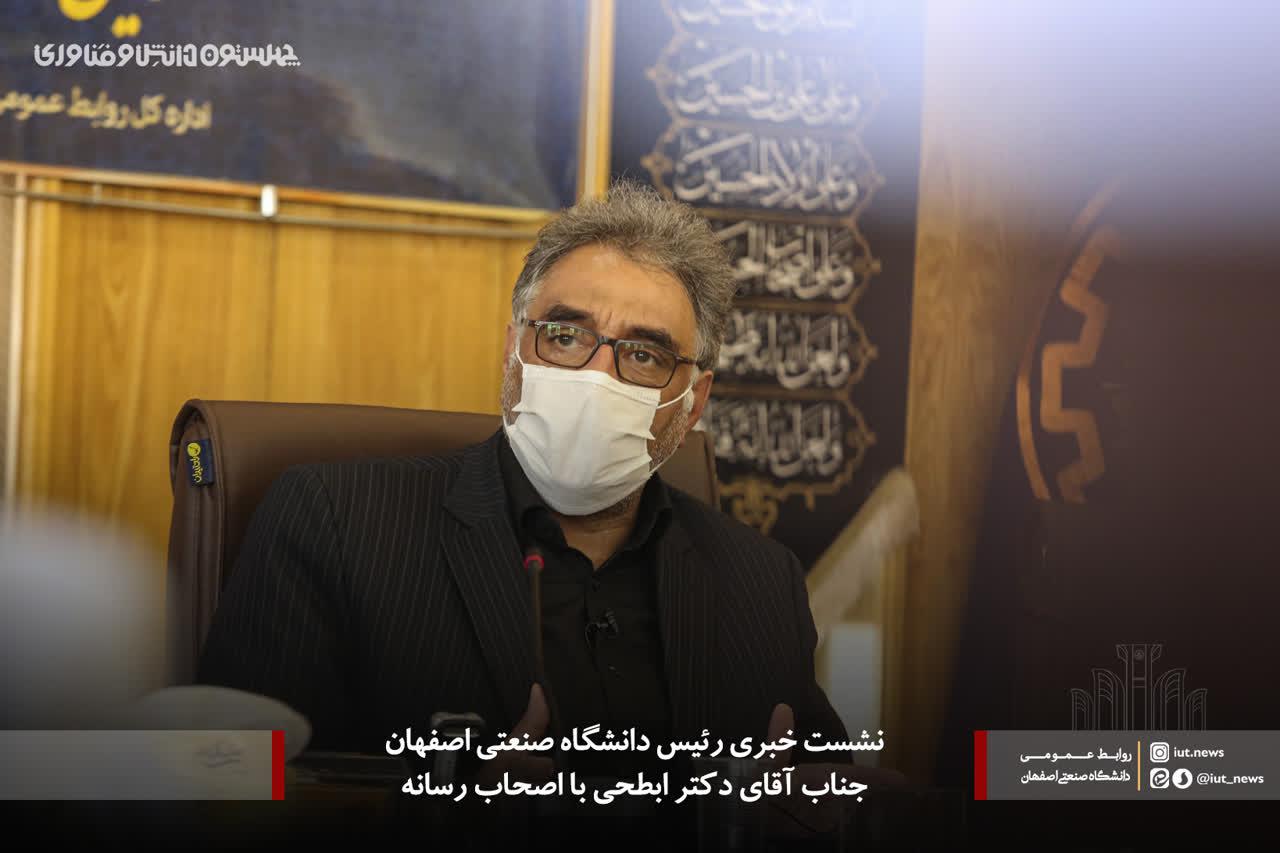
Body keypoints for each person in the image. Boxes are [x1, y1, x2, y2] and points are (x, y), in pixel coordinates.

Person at [198, 182, 886, 839]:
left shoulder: (759, 580)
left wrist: (807, 813)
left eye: (643, 355)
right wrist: (434, 811)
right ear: (513, 353)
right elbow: (210, 779)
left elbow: (821, 794)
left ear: (693, 402)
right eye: (563, 335)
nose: (595, 376)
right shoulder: (335, 521)